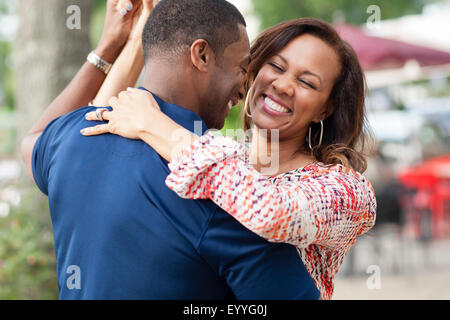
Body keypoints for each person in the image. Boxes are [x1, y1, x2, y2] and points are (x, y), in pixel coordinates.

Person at [20, 0, 320, 299]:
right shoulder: (225, 185)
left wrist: (109, 48)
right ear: (201, 55)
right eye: (242, 68)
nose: (244, 90)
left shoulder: (73, 135)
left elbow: (33, 139)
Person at [81, 17, 378, 300]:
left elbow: (271, 213)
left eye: (307, 83)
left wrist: (154, 124)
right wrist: (134, 41)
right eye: (276, 66)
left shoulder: (346, 190)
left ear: (325, 109)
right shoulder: (217, 153)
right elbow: (101, 123)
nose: (284, 85)